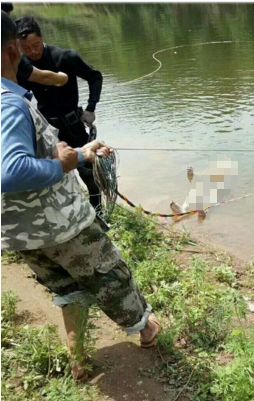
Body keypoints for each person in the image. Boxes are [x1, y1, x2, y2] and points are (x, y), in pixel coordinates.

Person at [1, 11, 160, 381]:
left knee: (67, 289)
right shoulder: (8, 103)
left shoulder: (45, 73)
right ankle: (146, 330)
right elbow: (10, 171)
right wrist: (60, 164)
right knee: (111, 276)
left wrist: (79, 151)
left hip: (20, 235)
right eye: (25, 50)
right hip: (59, 225)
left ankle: (79, 358)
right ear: (13, 51)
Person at [15, 16, 104, 214]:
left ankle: (98, 213)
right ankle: (66, 214)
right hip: (47, 129)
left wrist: (91, 108)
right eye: (26, 49)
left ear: (42, 38)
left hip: (73, 125)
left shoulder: (64, 57)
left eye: (36, 45)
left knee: (88, 172)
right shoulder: (22, 67)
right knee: (52, 174)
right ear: (18, 47)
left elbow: (95, 77)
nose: (32, 52)